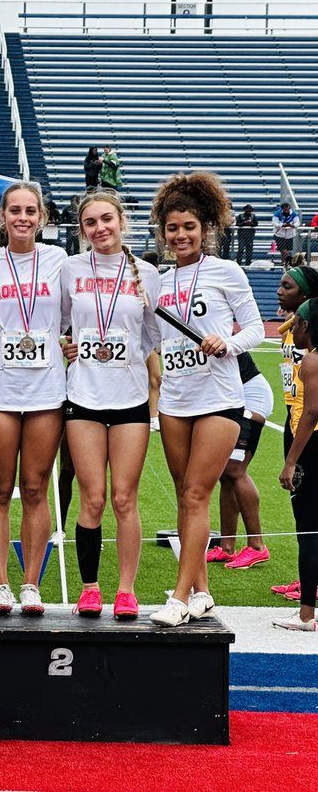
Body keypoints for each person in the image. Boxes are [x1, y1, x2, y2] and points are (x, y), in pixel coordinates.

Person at [149, 172, 264, 627]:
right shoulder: (159, 281)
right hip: (175, 400)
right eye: (173, 229)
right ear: (163, 233)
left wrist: (228, 343)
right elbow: (146, 340)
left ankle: (179, 598)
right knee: (185, 496)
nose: (181, 236)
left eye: (189, 227)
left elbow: (254, 326)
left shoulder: (226, 271)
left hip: (218, 398)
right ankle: (202, 593)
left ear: (206, 229)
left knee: (197, 492)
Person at [60, 191, 160, 620]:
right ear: (81, 229)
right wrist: (68, 344)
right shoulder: (70, 269)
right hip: (83, 395)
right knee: (94, 498)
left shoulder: (147, 273)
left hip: (130, 398)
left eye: (107, 219)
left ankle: (125, 590)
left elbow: (153, 333)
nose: (100, 228)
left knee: (124, 498)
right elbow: (59, 322)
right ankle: (89, 588)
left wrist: (130, 357)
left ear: (122, 221)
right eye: (90, 222)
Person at [0, 182, 68, 617]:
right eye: (15, 210)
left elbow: (74, 316)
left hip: (47, 388)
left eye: (31, 211)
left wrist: (70, 343)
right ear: (2, 216)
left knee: (34, 487)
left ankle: (31, 583)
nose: (23, 218)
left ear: (42, 217)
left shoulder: (59, 261)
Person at [272, 266, 318, 602]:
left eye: (287, 286)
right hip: (294, 415)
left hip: (308, 424)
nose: (279, 291)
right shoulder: (295, 326)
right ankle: (308, 578)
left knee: (308, 518)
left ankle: (309, 591)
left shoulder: (310, 337)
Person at [206, 353, 273, 569]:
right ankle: (227, 548)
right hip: (234, 395)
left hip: (250, 396)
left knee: (235, 470)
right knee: (225, 474)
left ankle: (256, 546)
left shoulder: (212, 330)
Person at [273, 201, 299, 269]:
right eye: (285, 210)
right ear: (282, 209)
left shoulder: (293, 214)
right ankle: (291, 260)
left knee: (287, 249)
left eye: (288, 209)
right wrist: (282, 225)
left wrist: (292, 225)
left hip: (290, 234)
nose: (287, 211)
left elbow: (297, 223)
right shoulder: (277, 213)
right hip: (279, 234)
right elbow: (274, 223)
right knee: (282, 249)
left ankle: (284, 263)